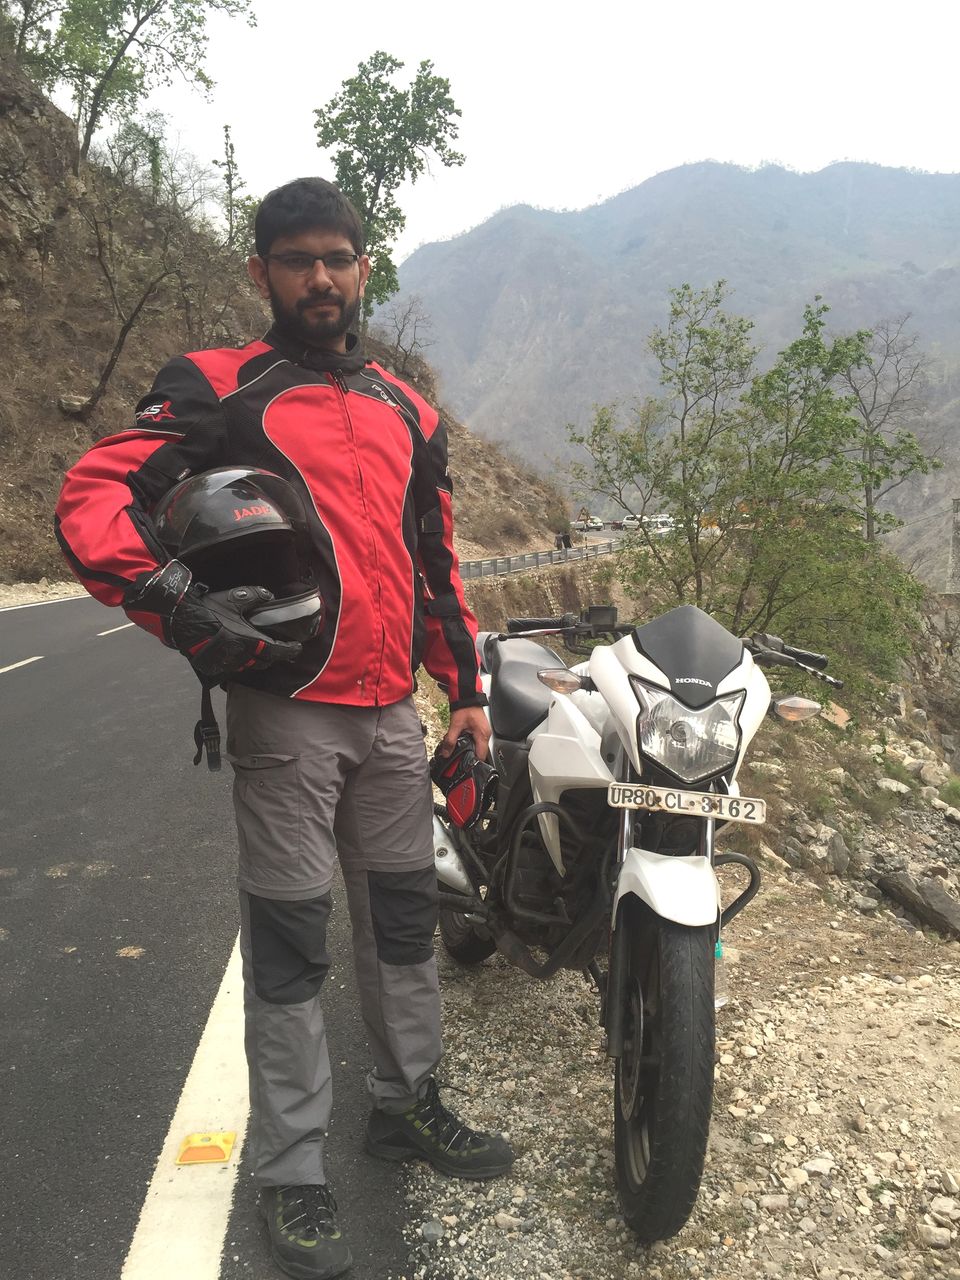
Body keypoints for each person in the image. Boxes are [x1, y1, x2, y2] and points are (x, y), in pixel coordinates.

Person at [54, 176, 514, 1280]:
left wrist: (466, 692)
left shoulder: (407, 410)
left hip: (391, 718)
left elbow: (434, 561)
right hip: (287, 717)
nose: (320, 277)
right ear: (261, 271)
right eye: (297, 259)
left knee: (404, 925)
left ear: (364, 269)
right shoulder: (219, 387)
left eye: (337, 258)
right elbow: (92, 495)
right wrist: (174, 602)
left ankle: (406, 1102)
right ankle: (293, 1169)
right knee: (292, 947)